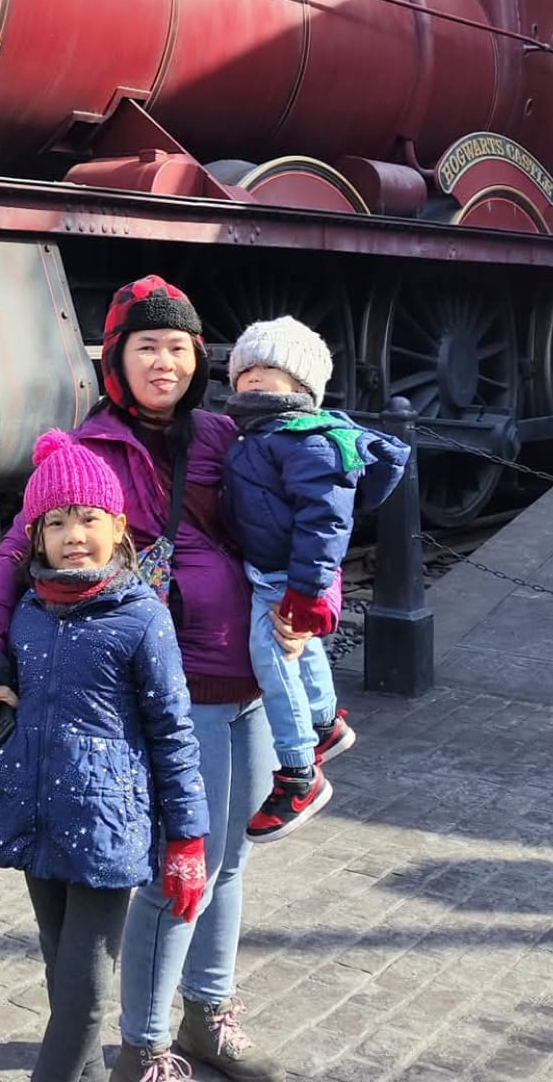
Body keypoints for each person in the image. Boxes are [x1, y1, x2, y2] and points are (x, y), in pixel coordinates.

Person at [0, 276, 286, 1082]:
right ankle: (143, 1045)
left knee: (225, 862)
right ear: (117, 361)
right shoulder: (87, 455)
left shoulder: (219, 437)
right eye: (146, 347)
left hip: (247, 677)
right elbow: (9, 559)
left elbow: (281, 522)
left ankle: (208, 1013)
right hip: (176, 687)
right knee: (176, 870)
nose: (164, 363)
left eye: (178, 347)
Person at [0, 428, 209, 1082]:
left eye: (88, 518)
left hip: (107, 831)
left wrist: (187, 839)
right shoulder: (27, 612)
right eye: (56, 521)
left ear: (118, 526)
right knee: (64, 982)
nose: (73, 533)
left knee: (81, 1000)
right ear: (37, 537)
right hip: (38, 818)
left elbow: (173, 732)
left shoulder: (141, 618)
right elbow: (8, 698)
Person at [222, 316, 409, 842]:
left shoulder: (307, 438)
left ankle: (298, 774)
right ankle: (326, 723)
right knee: (299, 656)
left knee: (273, 661)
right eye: (246, 369)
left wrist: (306, 592)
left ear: (303, 386)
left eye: (270, 368)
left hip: (285, 577)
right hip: (271, 569)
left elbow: (325, 521)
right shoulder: (262, 432)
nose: (254, 377)